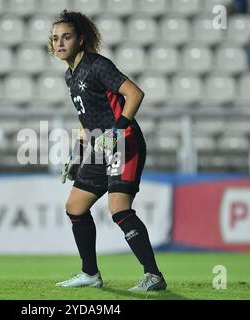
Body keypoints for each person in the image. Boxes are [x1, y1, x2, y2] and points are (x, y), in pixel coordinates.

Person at [48, 10, 166, 293]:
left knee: (119, 209)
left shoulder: (98, 65)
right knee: (75, 207)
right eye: (55, 39)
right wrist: (77, 154)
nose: (60, 43)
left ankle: (153, 275)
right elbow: (84, 117)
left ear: (81, 39)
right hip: (100, 147)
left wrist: (117, 130)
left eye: (66, 37)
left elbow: (135, 94)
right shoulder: (70, 76)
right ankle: (90, 273)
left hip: (125, 143)